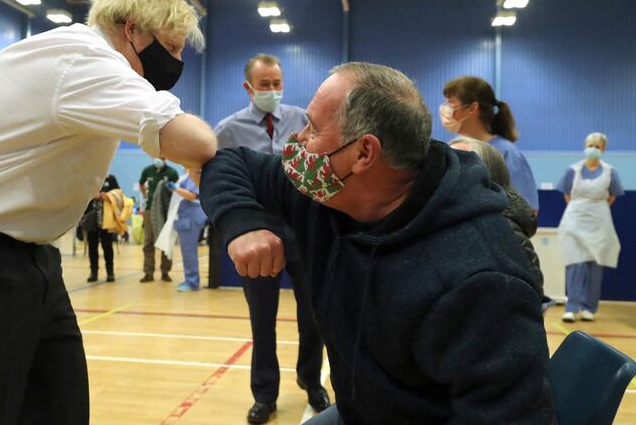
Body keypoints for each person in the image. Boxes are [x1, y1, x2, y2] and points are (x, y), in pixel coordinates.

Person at [0, 0, 217, 424]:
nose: (177, 62)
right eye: (172, 46)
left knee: (60, 409)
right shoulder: (83, 59)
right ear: (131, 29)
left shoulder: (87, 64)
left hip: (24, 256)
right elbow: (196, 143)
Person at [201, 62, 554, 425]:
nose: (300, 139)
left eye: (314, 128)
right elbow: (228, 163)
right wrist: (242, 222)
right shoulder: (329, 196)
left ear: (364, 153)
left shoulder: (482, 280)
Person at [214, 53, 328, 424]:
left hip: (303, 229)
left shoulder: (302, 120)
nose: (273, 91)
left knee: (314, 313)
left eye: (277, 84)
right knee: (261, 319)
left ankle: (311, 380)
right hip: (258, 232)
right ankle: (265, 394)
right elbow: (215, 177)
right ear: (249, 87)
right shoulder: (227, 131)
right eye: (265, 85)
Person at [450, 136, 546, 301]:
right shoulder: (438, 221)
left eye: (459, 162)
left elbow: (527, 302)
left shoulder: (507, 233)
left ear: (488, 175)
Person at [440, 76, 539, 212]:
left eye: (451, 103)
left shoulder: (506, 153)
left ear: (472, 108)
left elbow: (528, 211)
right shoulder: (449, 150)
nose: (445, 109)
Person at [557, 132, 624, 323]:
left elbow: (612, 195)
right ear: (585, 146)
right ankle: (572, 307)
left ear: (603, 149)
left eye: (598, 146)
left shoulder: (611, 172)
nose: (594, 149)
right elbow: (567, 194)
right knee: (575, 261)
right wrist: (580, 206)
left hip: (599, 220)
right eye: (591, 145)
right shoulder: (573, 170)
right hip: (575, 218)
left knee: (595, 263)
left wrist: (595, 207)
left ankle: (589, 308)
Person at [166, 169, 208, 291]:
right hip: (185, 216)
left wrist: (175, 188)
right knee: (186, 251)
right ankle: (190, 279)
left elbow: (191, 195)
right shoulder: (186, 176)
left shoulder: (194, 175)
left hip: (191, 217)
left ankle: (192, 281)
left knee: (189, 251)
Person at [139, 157, 179, 282]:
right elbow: (141, 184)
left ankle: (165, 272)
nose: (158, 159)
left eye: (161, 156)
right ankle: (148, 272)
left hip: (166, 210)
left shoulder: (172, 172)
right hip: (150, 209)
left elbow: (177, 190)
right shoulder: (147, 170)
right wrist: (146, 196)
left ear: (165, 157)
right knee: (148, 241)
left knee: (166, 241)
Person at [85, 174, 120, 283]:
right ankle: (93, 272)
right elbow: (82, 194)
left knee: (107, 246)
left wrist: (108, 196)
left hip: (106, 219)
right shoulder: (89, 178)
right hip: (92, 218)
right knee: (92, 246)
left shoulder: (111, 179)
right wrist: (92, 195)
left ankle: (110, 272)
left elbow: (118, 195)